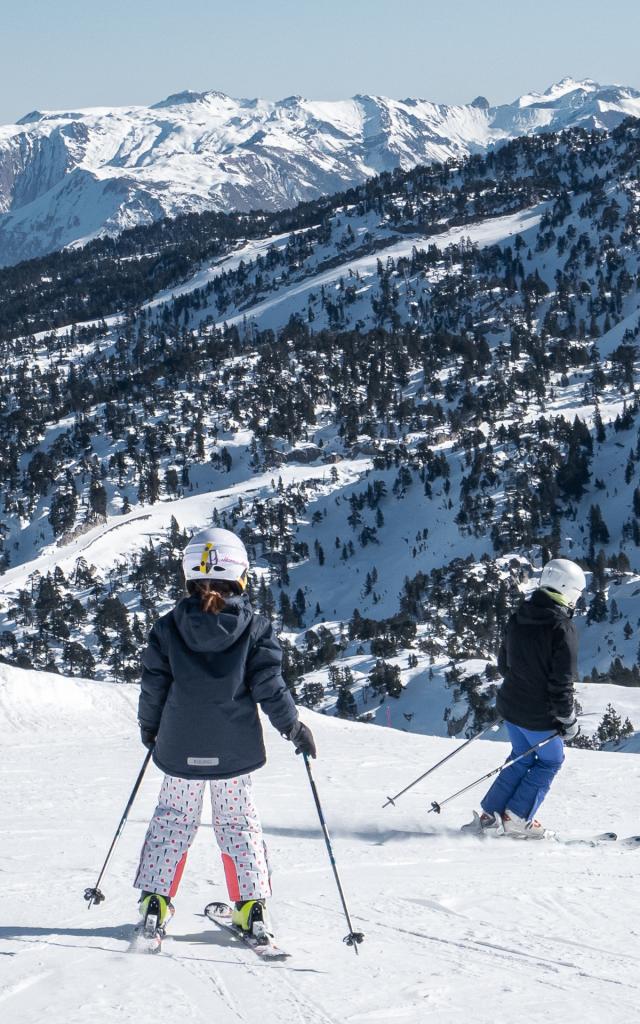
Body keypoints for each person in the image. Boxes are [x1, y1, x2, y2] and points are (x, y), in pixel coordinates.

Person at [133, 527, 316, 942]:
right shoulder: (254, 629)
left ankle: (156, 902)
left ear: (189, 574)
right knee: (238, 824)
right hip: (234, 752)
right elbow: (270, 685)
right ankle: (251, 909)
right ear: (240, 574)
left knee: (173, 822)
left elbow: (153, 686)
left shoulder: (167, 628)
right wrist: (293, 727)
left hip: (179, 747)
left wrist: (151, 730)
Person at [463, 558, 586, 840]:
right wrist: (568, 720)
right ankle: (518, 818)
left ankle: (490, 816)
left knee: (520, 757)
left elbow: (505, 665)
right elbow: (561, 683)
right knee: (549, 761)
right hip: (537, 715)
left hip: (511, 707)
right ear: (567, 589)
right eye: (577, 593)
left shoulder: (520, 615)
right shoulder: (562, 627)